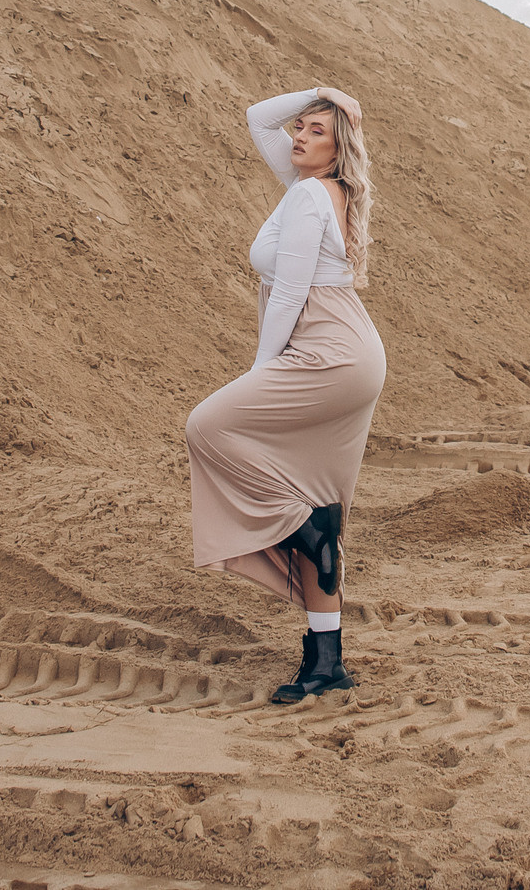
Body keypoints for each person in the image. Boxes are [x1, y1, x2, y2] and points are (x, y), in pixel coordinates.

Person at [184, 85, 386, 703]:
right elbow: (255, 118)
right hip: (345, 347)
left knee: (208, 425)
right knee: (314, 496)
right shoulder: (321, 188)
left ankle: (306, 528)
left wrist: (259, 370)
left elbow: (292, 293)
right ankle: (325, 662)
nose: (298, 137)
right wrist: (323, 96)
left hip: (327, 348)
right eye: (299, 128)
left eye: (316, 131)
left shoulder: (306, 196)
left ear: (338, 148)